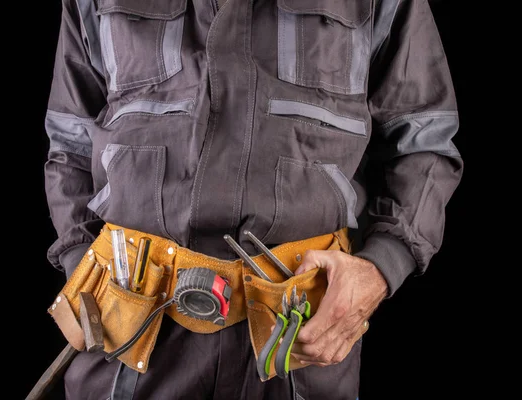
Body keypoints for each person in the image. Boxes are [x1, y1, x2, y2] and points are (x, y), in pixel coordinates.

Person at [41, 0, 463, 399]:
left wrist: (381, 267)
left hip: (297, 338)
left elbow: (424, 141)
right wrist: (84, 266)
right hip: (129, 334)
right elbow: (70, 142)